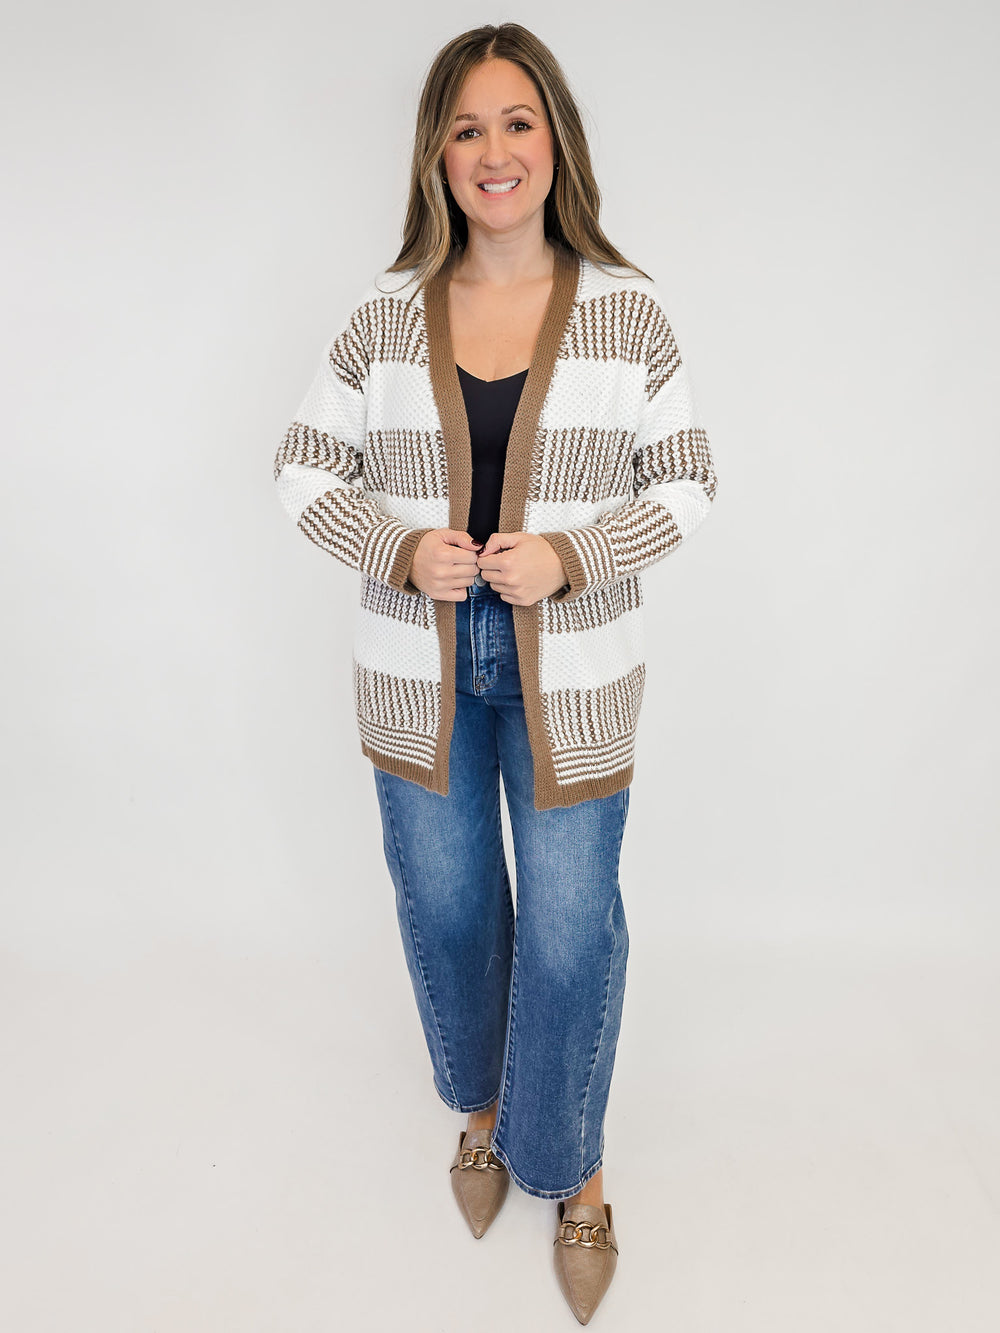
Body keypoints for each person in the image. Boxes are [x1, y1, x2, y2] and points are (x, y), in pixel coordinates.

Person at [273, 22, 718, 1325]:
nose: (493, 150)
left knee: (572, 932)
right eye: (466, 127)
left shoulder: (626, 311)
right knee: (454, 910)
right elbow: (304, 465)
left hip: (571, 680)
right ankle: (480, 1104)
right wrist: (400, 546)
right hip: (415, 675)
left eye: (517, 121)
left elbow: (688, 478)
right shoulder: (381, 312)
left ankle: (567, 1159)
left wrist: (573, 555)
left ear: (555, 140)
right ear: (437, 154)